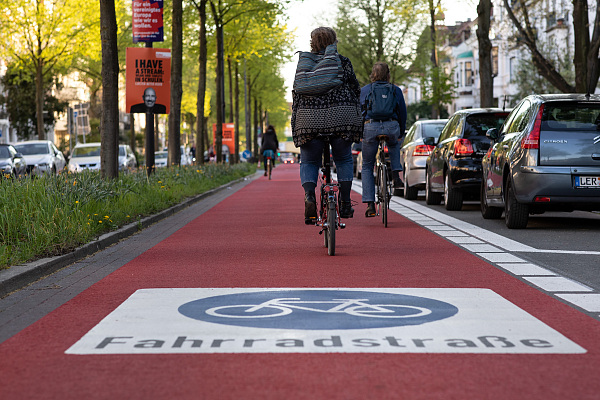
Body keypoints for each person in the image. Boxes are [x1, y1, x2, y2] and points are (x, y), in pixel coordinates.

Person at [291, 27, 363, 224]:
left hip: (309, 119)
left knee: (309, 161)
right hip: (341, 117)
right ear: (334, 41)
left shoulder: (304, 63)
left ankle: (309, 197)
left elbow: (296, 93)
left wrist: (297, 123)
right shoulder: (343, 61)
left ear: (312, 43)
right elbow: (355, 88)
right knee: (344, 159)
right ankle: (346, 201)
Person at [359, 62, 407, 217]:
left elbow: (359, 112)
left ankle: (370, 204)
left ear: (373, 74)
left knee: (366, 165)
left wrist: (360, 131)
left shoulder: (365, 90)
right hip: (391, 126)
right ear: (388, 75)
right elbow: (402, 112)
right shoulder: (395, 90)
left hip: (371, 127)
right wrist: (400, 130)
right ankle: (395, 176)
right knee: (394, 145)